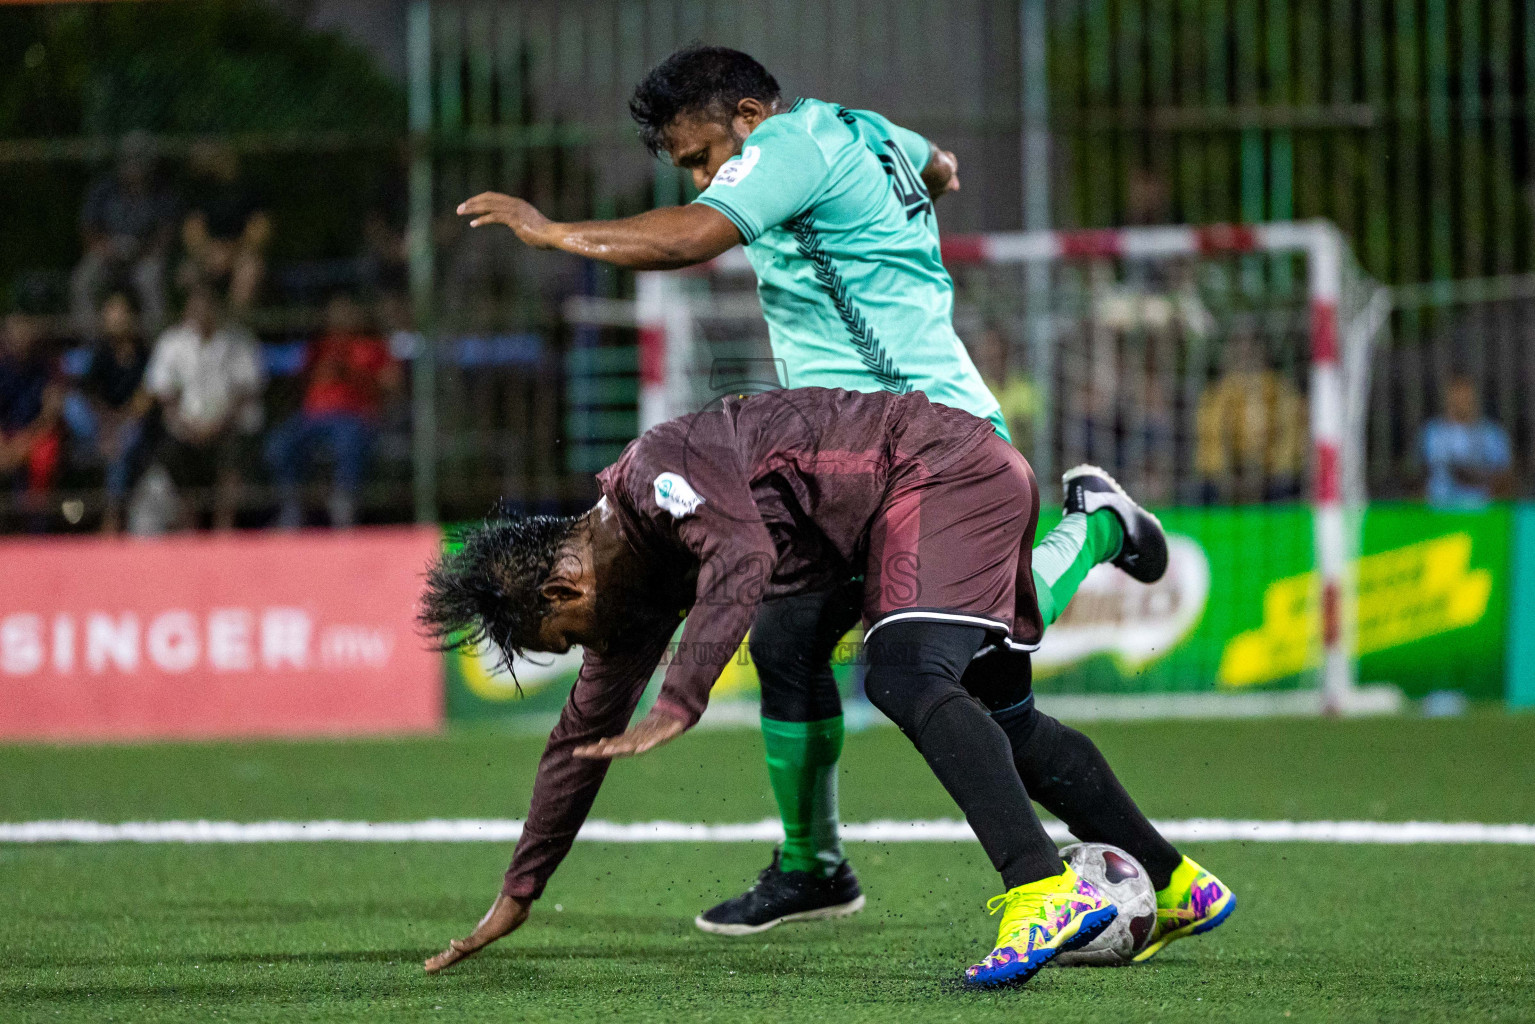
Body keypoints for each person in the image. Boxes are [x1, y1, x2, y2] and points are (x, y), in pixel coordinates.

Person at [457, 44, 1094, 936]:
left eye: (701, 158)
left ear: (750, 118)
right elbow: (938, 163)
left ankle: (1091, 530)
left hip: (924, 442)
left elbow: (691, 238)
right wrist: (918, 189)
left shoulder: (790, 142)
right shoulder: (868, 133)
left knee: (948, 661)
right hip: (856, 458)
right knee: (790, 635)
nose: (703, 182)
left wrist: (552, 232)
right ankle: (812, 865)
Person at [418, 387, 1235, 986]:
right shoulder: (623, 598)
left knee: (907, 674)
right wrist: (520, 890)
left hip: (937, 469)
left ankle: (1040, 888)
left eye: (565, 638)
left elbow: (744, 557)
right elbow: (577, 741)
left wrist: (681, 699)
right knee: (1000, 716)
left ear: (562, 589)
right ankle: (1174, 885)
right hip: (903, 513)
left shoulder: (657, 473)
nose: (583, 651)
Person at [265, 293, 401, 528]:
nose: (341, 318)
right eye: (336, 313)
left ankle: (344, 508)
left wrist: (352, 374)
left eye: (347, 313)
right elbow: (298, 383)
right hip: (312, 418)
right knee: (279, 446)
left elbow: (392, 386)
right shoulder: (318, 347)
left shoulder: (372, 346)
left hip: (353, 417)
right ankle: (292, 507)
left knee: (350, 443)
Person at [143, 286, 265, 531]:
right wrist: (186, 427)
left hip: (229, 426)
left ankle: (224, 526)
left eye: (206, 306)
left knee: (236, 453)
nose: (200, 312)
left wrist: (217, 426)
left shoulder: (239, 340)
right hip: (186, 428)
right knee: (171, 452)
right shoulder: (172, 342)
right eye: (195, 306)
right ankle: (191, 524)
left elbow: (246, 392)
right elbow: (164, 394)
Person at [71, 133, 180, 336]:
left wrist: (144, 251)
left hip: (144, 256)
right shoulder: (104, 188)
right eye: (129, 159)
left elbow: (167, 232)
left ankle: (155, 345)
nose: (134, 165)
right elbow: (88, 227)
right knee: (83, 280)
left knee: (151, 278)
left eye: (139, 159)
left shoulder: (161, 192)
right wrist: (104, 248)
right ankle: (92, 345)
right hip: (108, 253)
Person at [63, 293, 154, 534]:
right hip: (102, 421)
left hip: (129, 423)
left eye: (120, 312)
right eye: (111, 312)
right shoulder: (100, 352)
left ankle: (112, 517)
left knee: (122, 445)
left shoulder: (144, 354)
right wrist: (106, 424)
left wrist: (120, 423)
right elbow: (91, 395)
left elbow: (144, 398)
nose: (116, 318)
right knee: (72, 407)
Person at [1194, 332, 1306, 503]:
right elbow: (1212, 439)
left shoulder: (1280, 390)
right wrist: (1227, 477)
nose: (1244, 354)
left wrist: (1271, 473)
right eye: (1238, 348)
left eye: (1250, 348)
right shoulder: (1217, 394)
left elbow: (1289, 439)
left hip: (1271, 476)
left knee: (1285, 485)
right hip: (1228, 476)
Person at [177, 142, 271, 312]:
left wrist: (231, 252)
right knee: (188, 273)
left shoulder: (249, 188)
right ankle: (202, 326)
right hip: (209, 254)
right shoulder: (200, 189)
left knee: (249, 272)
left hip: (242, 255)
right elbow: (192, 231)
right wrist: (208, 252)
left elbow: (260, 231)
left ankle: (234, 328)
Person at [0, 311, 64, 531]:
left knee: (43, 461)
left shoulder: (49, 366)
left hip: (38, 434)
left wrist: (25, 442)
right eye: (14, 331)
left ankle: (35, 528)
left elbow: (50, 415)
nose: (19, 336)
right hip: (5, 435)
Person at [1420, 374, 1512, 509]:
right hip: (1438, 510)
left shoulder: (1492, 434)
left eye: (1465, 396)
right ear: (1447, 398)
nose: (1460, 401)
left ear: (1473, 398)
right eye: (1456, 396)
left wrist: (1474, 477)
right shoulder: (1432, 433)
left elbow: (1505, 477)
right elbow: (1420, 474)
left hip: (1480, 509)